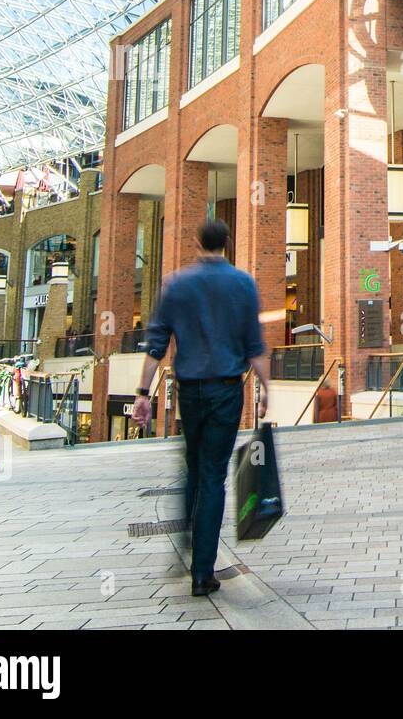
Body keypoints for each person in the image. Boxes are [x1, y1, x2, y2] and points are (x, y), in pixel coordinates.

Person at [132, 219, 271, 596]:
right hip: (226, 391)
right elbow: (255, 346)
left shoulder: (176, 284)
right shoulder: (243, 283)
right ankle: (202, 571)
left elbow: (156, 344)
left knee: (193, 463)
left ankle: (191, 541)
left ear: (196, 241)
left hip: (188, 392)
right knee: (212, 475)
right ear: (227, 242)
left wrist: (142, 393)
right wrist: (265, 389)